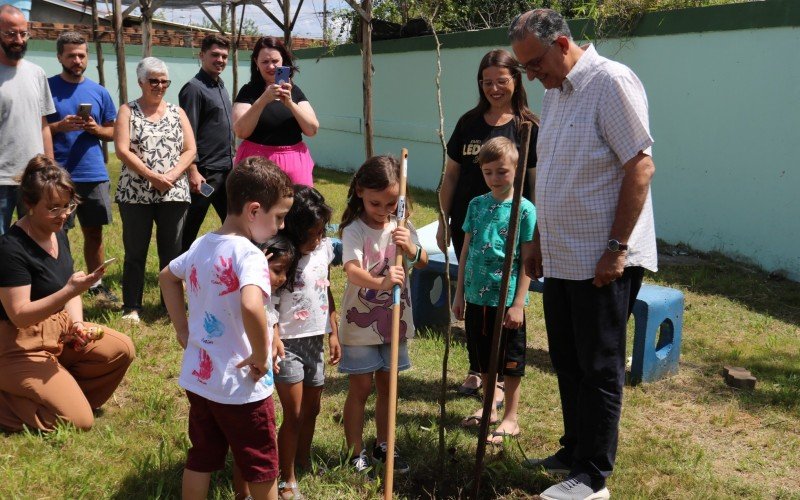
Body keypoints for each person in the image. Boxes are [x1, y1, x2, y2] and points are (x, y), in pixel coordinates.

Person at [510, 9, 657, 500]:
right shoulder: (556, 95)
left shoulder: (611, 81)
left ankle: (593, 477)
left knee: (599, 367)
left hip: (602, 261)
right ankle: (574, 452)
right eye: (525, 68)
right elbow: (551, 172)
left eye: (534, 64)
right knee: (568, 361)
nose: (532, 76)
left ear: (563, 42)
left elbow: (640, 166)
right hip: (562, 256)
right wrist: (536, 241)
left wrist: (616, 249)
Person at [159, 156, 294, 500]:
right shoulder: (249, 255)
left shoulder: (203, 243)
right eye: (278, 217)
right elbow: (251, 305)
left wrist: (182, 331)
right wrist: (261, 356)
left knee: (202, 455)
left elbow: (166, 277)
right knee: (262, 464)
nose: (280, 227)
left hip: (201, 380)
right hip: (241, 386)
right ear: (253, 211)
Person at [0, 154, 135, 432]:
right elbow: (20, 316)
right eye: (53, 208)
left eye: (67, 206)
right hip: (18, 346)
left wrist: (76, 323)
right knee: (80, 421)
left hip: (57, 331)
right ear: (28, 204)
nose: (63, 215)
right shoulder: (10, 249)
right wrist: (69, 291)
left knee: (121, 349)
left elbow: (70, 287)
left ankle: (62, 393)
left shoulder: (56, 232)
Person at [436, 49, 539, 399]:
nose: (494, 88)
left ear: (516, 80)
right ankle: (476, 368)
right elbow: (451, 176)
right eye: (486, 82)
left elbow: (535, 182)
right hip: (469, 222)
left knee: (500, 292)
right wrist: (441, 218)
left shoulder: (527, 125)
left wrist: (536, 232)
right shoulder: (468, 123)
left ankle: (499, 375)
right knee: (474, 293)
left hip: (509, 229)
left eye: (501, 81)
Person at [337, 155, 428, 474]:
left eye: (391, 204)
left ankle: (385, 446)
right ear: (360, 191)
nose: (383, 211)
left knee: (388, 388)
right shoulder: (354, 229)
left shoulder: (402, 225)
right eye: (376, 203)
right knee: (360, 388)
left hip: (395, 323)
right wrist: (382, 282)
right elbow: (351, 271)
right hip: (359, 324)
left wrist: (413, 249)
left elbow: (422, 262)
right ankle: (354, 451)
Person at [452, 137, 535, 445]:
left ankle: (511, 417)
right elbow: (465, 252)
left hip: (506, 301)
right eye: (488, 172)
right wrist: (459, 293)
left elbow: (527, 261)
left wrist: (517, 304)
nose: (495, 179)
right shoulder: (476, 205)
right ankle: (489, 407)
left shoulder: (524, 211)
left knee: (509, 361)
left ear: (516, 169)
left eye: (502, 171)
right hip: (475, 297)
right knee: (484, 357)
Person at [114, 57, 197, 323]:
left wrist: (171, 176)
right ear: (141, 82)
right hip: (135, 192)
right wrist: (152, 176)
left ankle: (169, 307)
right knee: (135, 251)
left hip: (173, 192)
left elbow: (190, 149)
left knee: (172, 252)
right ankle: (132, 307)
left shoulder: (177, 112)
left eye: (164, 81)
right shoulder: (128, 111)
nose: (159, 85)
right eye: (153, 80)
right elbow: (122, 150)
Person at [274, 185, 340, 498]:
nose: (318, 239)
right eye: (312, 234)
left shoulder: (325, 248)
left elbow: (325, 289)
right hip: (287, 346)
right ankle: (286, 478)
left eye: (321, 232)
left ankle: (302, 461)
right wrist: (273, 336)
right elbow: (267, 300)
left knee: (312, 410)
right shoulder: (281, 256)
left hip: (316, 343)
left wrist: (333, 331)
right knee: (295, 413)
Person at [47, 31, 118, 303]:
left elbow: (114, 132)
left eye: (81, 55)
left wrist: (96, 129)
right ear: (59, 57)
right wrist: (59, 127)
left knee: (94, 232)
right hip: (58, 174)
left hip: (94, 174)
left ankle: (96, 284)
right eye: (71, 55)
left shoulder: (99, 91)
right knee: (56, 232)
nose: (77, 60)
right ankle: (58, 287)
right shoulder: (48, 88)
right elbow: (39, 127)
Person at [232, 36, 319, 186]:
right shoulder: (248, 92)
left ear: (283, 62)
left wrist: (290, 104)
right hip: (256, 165)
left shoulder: (295, 91)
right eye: (265, 62)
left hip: (294, 163)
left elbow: (312, 129)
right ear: (256, 63)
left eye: (275, 61)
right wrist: (263, 100)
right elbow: (241, 131)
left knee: (298, 207)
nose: (271, 67)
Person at [0, 4, 55, 235]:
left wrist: (50, 167)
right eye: (11, 33)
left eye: (23, 33)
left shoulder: (37, 73)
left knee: (36, 240)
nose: (19, 39)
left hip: (34, 178)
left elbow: (42, 124)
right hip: (0, 180)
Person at [179, 34, 234, 253]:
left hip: (226, 170)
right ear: (202, 55)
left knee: (233, 222)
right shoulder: (194, 88)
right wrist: (192, 169)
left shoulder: (219, 85)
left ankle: (229, 264)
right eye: (215, 55)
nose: (220, 60)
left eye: (224, 56)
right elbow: (187, 131)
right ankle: (177, 269)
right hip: (205, 173)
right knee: (191, 224)